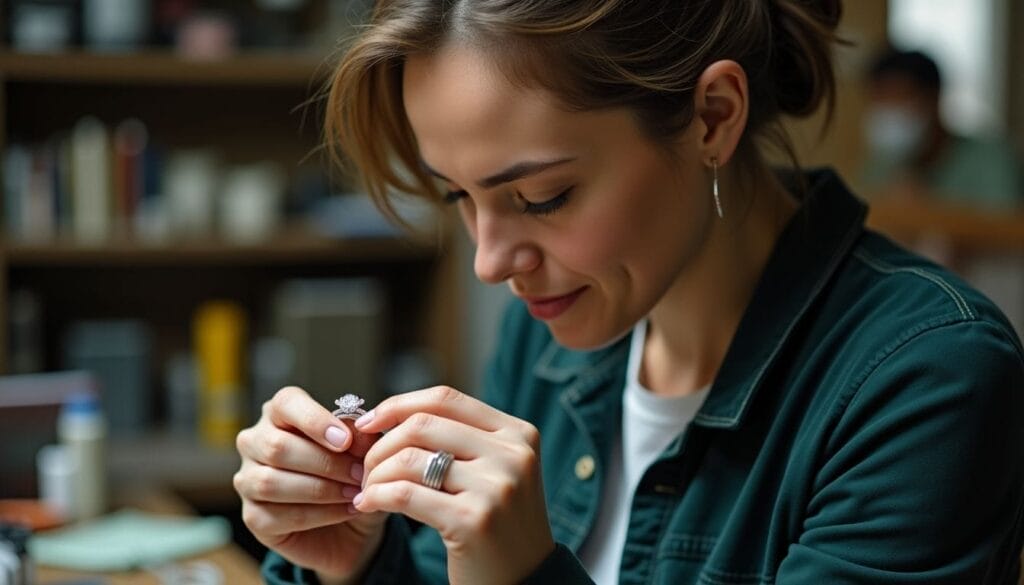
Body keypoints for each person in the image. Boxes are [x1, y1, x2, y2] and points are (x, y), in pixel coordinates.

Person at [234, 1, 1024, 583]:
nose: (491, 261)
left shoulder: (927, 376)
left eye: (541, 197)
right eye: (458, 198)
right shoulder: (547, 332)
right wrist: (361, 563)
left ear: (712, 117)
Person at [860, 48, 1023, 209]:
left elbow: (1005, 229)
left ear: (933, 98)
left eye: (898, 99)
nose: (889, 115)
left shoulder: (992, 159)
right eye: (880, 102)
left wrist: (927, 210)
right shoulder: (880, 166)